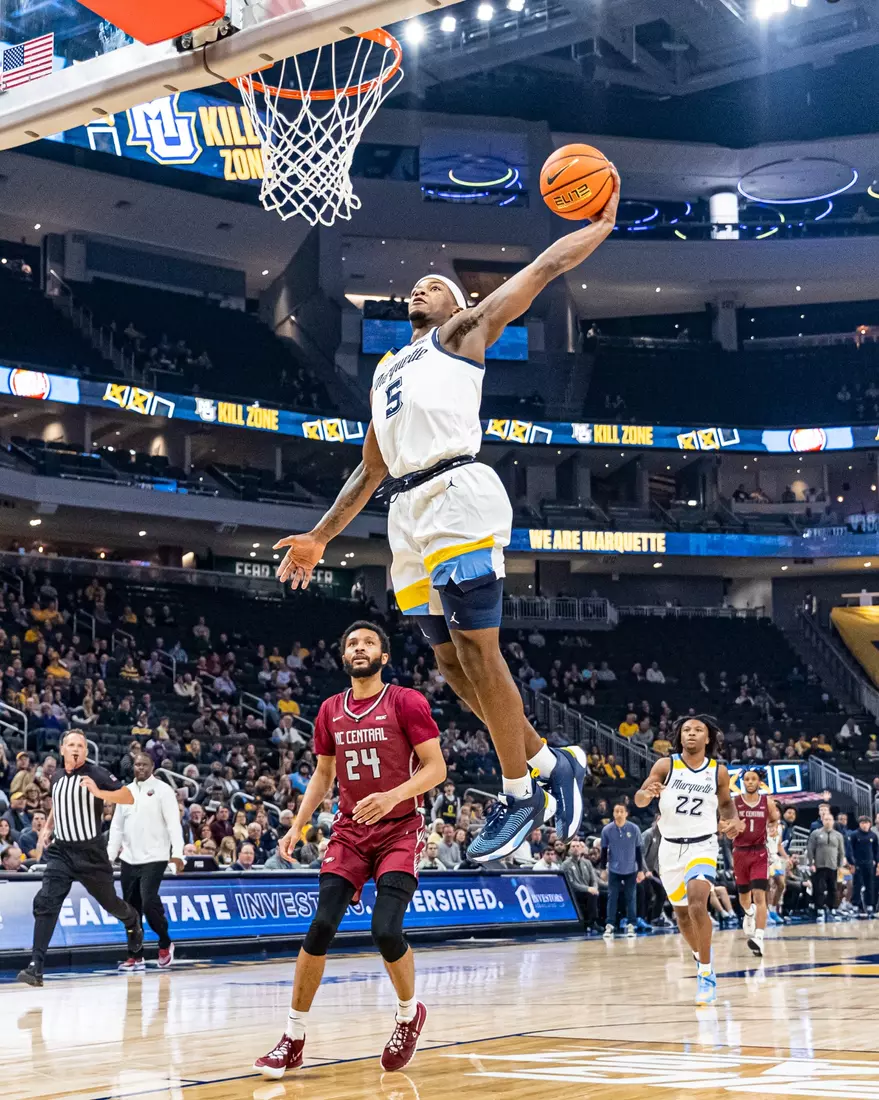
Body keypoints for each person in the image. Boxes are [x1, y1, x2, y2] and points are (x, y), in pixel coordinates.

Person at [272, 176, 622, 862]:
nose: (419, 290)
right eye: (417, 287)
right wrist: (319, 535)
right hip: (405, 512)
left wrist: (597, 227)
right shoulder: (385, 372)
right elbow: (370, 467)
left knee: (479, 650)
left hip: (459, 492)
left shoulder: (462, 333)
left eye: (434, 284)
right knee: (451, 665)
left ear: (459, 304)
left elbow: (543, 268)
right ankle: (555, 765)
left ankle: (519, 791)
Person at [254, 621, 446, 1079]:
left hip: (399, 828)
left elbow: (436, 768)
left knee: (385, 929)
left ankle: (407, 1015)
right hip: (350, 832)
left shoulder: (406, 701)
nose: (359, 648)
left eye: (368, 643)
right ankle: (293, 1037)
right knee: (320, 926)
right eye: (351, 644)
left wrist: (393, 795)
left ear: (383, 657)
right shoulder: (329, 711)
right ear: (344, 657)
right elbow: (323, 775)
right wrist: (297, 826)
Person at [17, 730, 143, 986]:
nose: (76, 749)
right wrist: (48, 828)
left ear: (86, 751)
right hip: (61, 852)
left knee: (110, 904)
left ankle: (132, 921)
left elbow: (128, 796)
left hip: (91, 853)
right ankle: (35, 967)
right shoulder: (57, 777)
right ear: (62, 749)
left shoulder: (95, 773)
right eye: (71, 744)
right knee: (46, 903)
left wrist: (100, 793)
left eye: (81, 745)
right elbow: (59, 804)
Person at [634, 715, 740, 1006]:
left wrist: (734, 821)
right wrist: (647, 793)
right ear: (680, 737)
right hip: (669, 849)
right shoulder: (665, 765)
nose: (692, 734)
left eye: (698, 730)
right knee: (682, 914)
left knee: (697, 903)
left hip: (703, 846)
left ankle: (706, 973)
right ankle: (698, 955)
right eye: (686, 730)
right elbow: (640, 799)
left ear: (708, 738)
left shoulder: (718, 771)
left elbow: (727, 804)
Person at [107, 753, 186, 971]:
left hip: (156, 856)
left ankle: (164, 942)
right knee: (130, 910)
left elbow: (173, 825)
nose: (140, 768)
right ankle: (135, 955)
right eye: (137, 764)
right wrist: (109, 857)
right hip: (129, 858)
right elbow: (116, 828)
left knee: (149, 900)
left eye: (144, 764)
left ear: (153, 766)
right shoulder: (125, 792)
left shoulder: (163, 791)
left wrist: (178, 853)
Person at [731, 767, 779, 958]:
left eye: (753, 779)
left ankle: (759, 937)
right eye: (747, 779)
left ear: (759, 782)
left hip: (759, 852)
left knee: (760, 896)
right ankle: (748, 913)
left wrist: (773, 827)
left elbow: (774, 819)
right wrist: (730, 827)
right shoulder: (735, 802)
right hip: (740, 853)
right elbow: (724, 824)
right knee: (744, 898)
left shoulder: (767, 802)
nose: (750, 782)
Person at [600, 802, 645, 939]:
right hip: (614, 869)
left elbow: (638, 850)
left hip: (631, 869)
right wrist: (603, 869)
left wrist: (641, 870)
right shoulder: (607, 830)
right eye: (616, 811)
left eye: (621, 811)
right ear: (613, 813)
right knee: (612, 897)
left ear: (626, 813)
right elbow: (603, 851)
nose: (618, 814)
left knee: (631, 897)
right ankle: (610, 925)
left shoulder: (634, 828)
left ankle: (631, 925)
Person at [807, 813, 846, 922]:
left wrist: (840, 865)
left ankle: (832, 908)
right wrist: (811, 863)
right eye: (826, 819)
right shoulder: (816, 833)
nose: (828, 821)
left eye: (830, 819)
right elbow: (810, 849)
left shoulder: (838, 835)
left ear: (833, 821)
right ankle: (819, 909)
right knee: (819, 888)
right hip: (819, 865)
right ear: (822, 821)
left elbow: (841, 851)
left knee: (833, 888)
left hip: (833, 866)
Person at [561, 837, 601, 932]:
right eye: (573, 846)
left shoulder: (587, 862)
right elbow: (572, 884)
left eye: (578, 846)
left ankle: (607, 921)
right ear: (569, 850)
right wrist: (588, 889)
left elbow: (594, 879)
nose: (576, 848)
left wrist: (594, 888)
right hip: (574, 892)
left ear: (582, 848)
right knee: (591, 895)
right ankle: (591, 923)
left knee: (604, 893)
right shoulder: (565, 865)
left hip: (588, 890)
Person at [849, 815, 879, 914]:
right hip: (858, 864)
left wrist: (876, 861)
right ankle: (855, 905)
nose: (865, 825)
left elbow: (876, 850)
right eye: (863, 823)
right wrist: (852, 863)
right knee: (857, 885)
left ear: (870, 824)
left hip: (870, 864)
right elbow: (850, 850)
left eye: (867, 823)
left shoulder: (873, 836)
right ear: (859, 824)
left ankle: (870, 904)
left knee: (870, 884)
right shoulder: (854, 835)